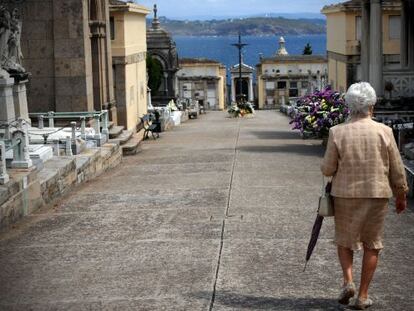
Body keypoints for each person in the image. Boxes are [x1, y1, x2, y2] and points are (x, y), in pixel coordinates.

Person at [321, 82, 408, 310]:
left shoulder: (337, 132)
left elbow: (327, 169)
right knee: (372, 244)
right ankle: (362, 295)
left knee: (344, 240)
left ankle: (347, 281)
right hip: (377, 195)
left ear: (349, 105)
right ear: (372, 104)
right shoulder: (385, 132)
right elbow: (397, 169)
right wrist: (401, 195)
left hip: (345, 195)